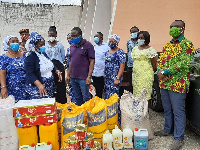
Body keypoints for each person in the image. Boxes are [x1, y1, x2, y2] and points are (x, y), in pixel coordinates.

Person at [154, 20, 195, 150]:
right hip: (165, 83)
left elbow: (186, 62)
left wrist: (167, 71)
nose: (173, 29)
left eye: (176, 27)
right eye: (171, 27)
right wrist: (160, 71)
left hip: (178, 84)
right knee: (167, 108)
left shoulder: (187, 45)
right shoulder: (167, 46)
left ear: (183, 29)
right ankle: (167, 130)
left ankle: (179, 138)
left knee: (178, 111)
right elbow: (160, 60)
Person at [25, 32, 62, 100]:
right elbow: (29, 73)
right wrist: (39, 85)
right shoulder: (30, 57)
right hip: (39, 87)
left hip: (49, 85)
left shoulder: (43, 53)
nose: (43, 46)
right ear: (34, 45)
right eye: (40, 45)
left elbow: (50, 63)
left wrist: (56, 70)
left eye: (44, 44)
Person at [66, 27, 95, 106]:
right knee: (77, 97)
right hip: (73, 77)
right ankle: (81, 115)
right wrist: (68, 75)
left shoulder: (88, 45)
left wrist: (89, 76)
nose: (73, 38)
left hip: (83, 78)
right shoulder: (72, 46)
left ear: (81, 35)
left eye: (75, 36)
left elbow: (92, 61)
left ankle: (88, 116)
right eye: (72, 36)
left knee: (86, 98)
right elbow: (71, 61)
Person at [131, 31, 158, 101]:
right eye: (139, 38)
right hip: (136, 75)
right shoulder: (135, 49)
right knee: (136, 93)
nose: (140, 39)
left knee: (146, 94)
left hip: (146, 75)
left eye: (142, 38)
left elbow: (155, 63)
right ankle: (138, 110)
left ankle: (145, 111)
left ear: (146, 39)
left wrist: (153, 71)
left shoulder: (150, 50)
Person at [0, 35, 27, 102]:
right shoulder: (4, 57)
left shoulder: (24, 55)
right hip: (12, 87)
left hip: (26, 86)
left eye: (17, 41)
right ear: (8, 44)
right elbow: (2, 73)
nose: (15, 43)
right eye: (13, 41)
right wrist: (3, 87)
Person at [45, 26, 66, 104]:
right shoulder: (45, 45)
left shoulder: (60, 45)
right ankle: (53, 102)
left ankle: (62, 103)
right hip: (49, 66)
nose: (51, 37)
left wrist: (59, 64)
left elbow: (63, 56)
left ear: (56, 35)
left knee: (60, 84)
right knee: (51, 84)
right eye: (50, 35)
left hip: (59, 65)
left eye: (53, 35)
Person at [104, 34, 126, 99]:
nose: (111, 43)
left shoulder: (120, 52)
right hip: (107, 77)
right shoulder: (107, 52)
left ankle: (114, 109)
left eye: (113, 41)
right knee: (107, 94)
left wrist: (117, 78)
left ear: (117, 42)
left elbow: (122, 66)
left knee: (114, 95)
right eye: (110, 41)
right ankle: (108, 108)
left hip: (115, 77)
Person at [92, 32, 110, 98]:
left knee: (100, 90)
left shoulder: (106, 46)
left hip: (102, 72)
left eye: (97, 36)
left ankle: (100, 102)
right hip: (94, 72)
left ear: (101, 38)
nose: (95, 38)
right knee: (95, 89)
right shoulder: (93, 47)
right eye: (94, 37)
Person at [127, 26, 139, 92]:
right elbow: (128, 52)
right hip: (130, 66)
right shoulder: (128, 42)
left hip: (139, 65)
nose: (133, 33)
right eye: (132, 32)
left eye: (135, 32)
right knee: (131, 84)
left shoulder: (141, 41)